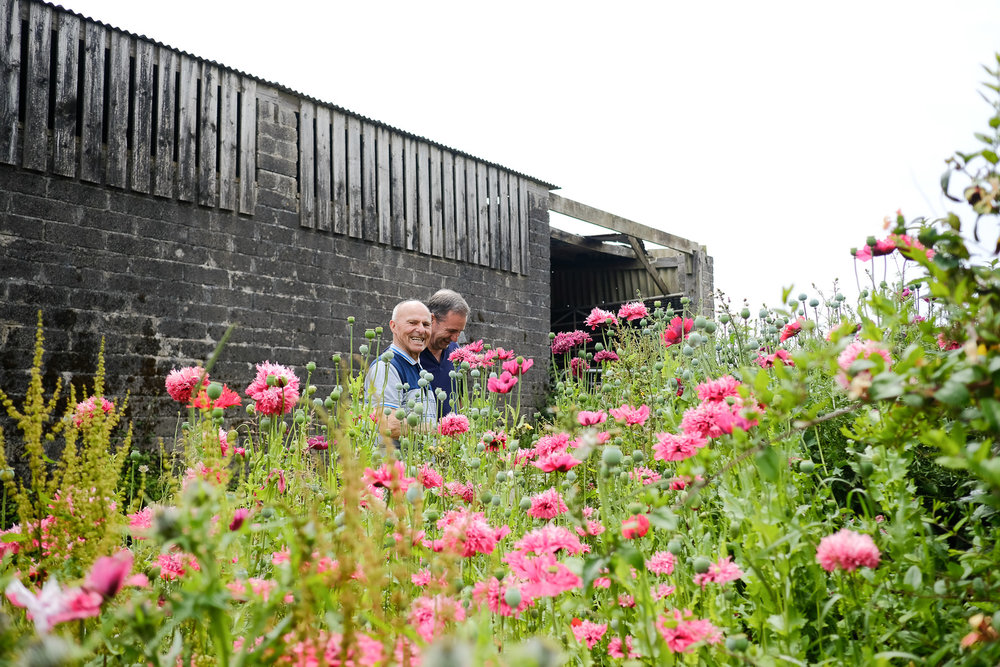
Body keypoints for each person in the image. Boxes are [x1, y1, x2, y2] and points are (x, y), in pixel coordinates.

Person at [364, 300, 437, 440]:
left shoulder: (418, 368)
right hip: (393, 461)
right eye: (413, 323)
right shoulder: (386, 367)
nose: (421, 330)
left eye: (426, 324)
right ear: (393, 326)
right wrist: (439, 430)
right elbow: (388, 425)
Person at [420, 289, 469, 417]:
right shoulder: (411, 353)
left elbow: (460, 397)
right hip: (421, 435)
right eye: (451, 331)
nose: (455, 339)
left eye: (459, 332)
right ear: (432, 319)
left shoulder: (455, 351)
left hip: (451, 435)